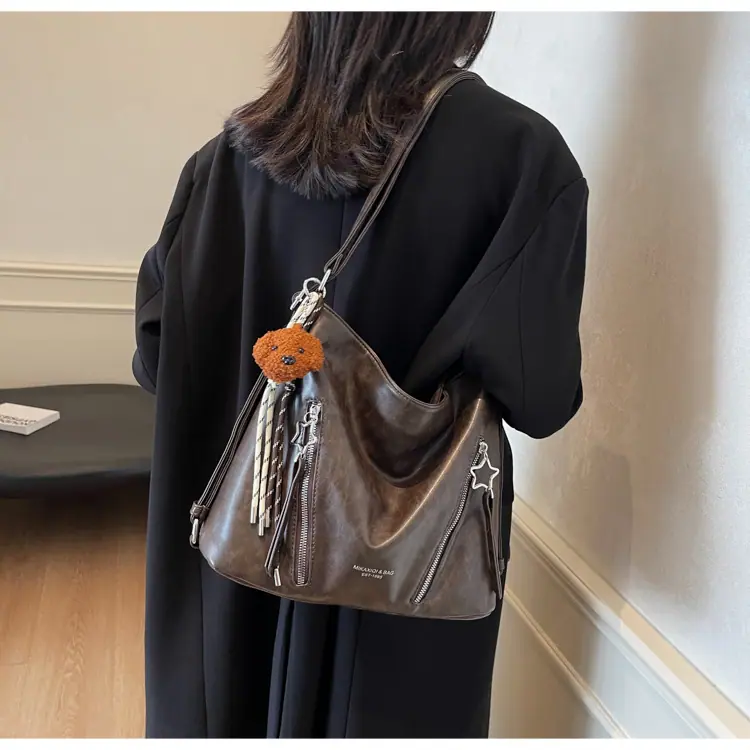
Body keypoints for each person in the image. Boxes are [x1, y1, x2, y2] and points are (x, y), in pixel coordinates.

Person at [133, 11, 588, 739]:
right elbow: (541, 397)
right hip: (398, 590)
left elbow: (157, 361)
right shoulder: (522, 158)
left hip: (226, 585)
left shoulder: (224, 162)